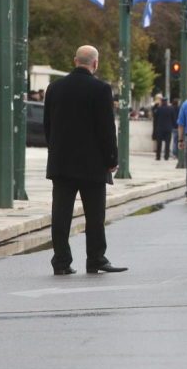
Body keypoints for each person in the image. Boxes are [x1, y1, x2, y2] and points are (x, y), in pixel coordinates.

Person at [44, 45, 126, 275]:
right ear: (95, 63)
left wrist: (56, 151)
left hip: (61, 163)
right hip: (92, 164)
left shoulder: (54, 87)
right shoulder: (100, 89)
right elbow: (106, 128)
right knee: (95, 215)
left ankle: (61, 261)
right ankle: (95, 259)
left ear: (74, 60)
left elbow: (47, 125)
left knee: (61, 215)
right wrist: (111, 158)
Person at [154, 97, 176, 161]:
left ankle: (158, 156)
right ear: (166, 101)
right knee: (167, 143)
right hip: (168, 128)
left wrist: (155, 128)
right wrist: (174, 126)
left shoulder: (159, 109)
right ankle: (166, 156)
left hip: (160, 128)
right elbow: (174, 119)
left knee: (159, 143)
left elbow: (155, 119)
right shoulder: (171, 109)